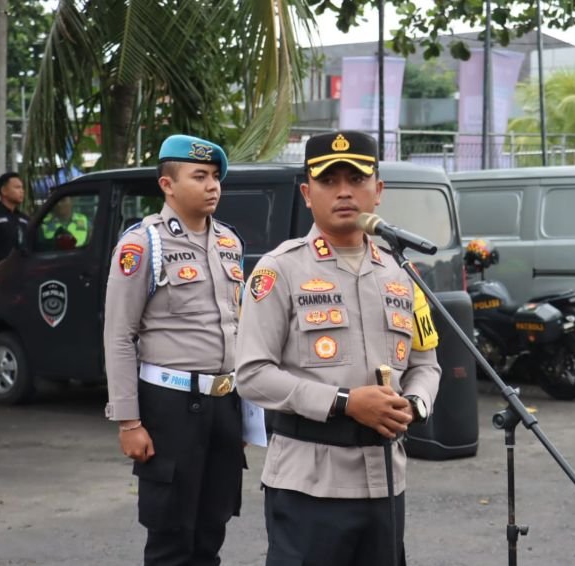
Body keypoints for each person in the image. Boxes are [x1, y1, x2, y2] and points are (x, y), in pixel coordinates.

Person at [235, 130, 441, 566]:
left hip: (385, 478)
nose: (344, 191)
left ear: (378, 190)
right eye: (329, 181)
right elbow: (252, 374)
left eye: (356, 178)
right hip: (308, 483)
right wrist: (346, 403)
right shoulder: (279, 270)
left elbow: (426, 363)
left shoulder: (401, 273)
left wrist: (415, 406)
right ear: (308, 194)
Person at [103, 134, 245, 566]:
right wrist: (129, 420)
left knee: (212, 529)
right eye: (199, 176)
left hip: (224, 404)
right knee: (170, 537)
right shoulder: (143, 243)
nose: (212, 186)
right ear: (167, 185)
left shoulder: (229, 243)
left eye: (216, 176)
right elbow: (119, 335)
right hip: (171, 406)